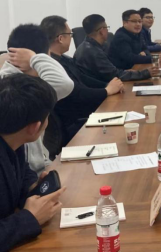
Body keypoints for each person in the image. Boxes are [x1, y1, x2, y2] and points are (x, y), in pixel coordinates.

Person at [0, 74, 67, 250]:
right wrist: (29, 218)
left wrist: (32, 188)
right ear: (35, 127)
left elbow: (23, 171)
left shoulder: (12, 138)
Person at [1, 24, 74, 174]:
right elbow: (65, 84)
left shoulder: (15, 80)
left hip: (37, 168)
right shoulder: (19, 90)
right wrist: (34, 57)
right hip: (27, 177)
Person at [40, 16, 124, 145]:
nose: (72, 38)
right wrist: (106, 91)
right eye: (70, 34)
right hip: (75, 123)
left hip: (83, 112)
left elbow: (83, 78)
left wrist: (109, 86)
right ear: (61, 38)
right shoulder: (53, 66)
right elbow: (77, 93)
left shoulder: (63, 59)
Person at [75, 14, 151, 83]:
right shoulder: (94, 52)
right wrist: (146, 73)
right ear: (102, 31)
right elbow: (114, 75)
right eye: (106, 28)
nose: (107, 31)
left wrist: (125, 71)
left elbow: (110, 69)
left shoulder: (90, 46)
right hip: (101, 89)